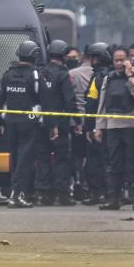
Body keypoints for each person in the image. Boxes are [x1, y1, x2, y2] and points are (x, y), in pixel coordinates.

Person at [92, 46, 134, 211]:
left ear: (129, 60)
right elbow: (102, 104)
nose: (118, 63)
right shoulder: (108, 78)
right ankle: (114, 199)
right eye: (116, 60)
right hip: (113, 126)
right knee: (114, 164)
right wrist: (99, 127)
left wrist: (130, 75)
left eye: (122, 60)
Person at [0, 41, 44, 208]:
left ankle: (15, 192)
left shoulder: (8, 74)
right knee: (25, 159)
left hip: (10, 122)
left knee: (15, 158)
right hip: (29, 123)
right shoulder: (35, 75)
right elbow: (44, 98)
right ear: (34, 56)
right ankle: (17, 194)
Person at [35, 39, 81, 205]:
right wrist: (77, 121)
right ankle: (62, 194)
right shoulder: (63, 74)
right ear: (63, 55)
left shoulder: (40, 73)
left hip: (41, 122)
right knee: (62, 158)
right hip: (60, 123)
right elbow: (70, 100)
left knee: (43, 158)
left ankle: (43, 194)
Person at [81, 42, 112, 205]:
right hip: (109, 125)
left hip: (97, 125)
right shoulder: (111, 74)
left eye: (93, 57)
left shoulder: (98, 76)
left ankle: (98, 193)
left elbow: (91, 102)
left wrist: (89, 126)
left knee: (95, 160)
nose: (91, 60)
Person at [69, 46, 94, 199]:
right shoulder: (98, 74)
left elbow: (69, 97)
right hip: (93, 120)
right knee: (91, 154)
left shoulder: (72, 74)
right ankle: (88, 185)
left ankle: (77, 180)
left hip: (75, 120)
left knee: (76, 154)